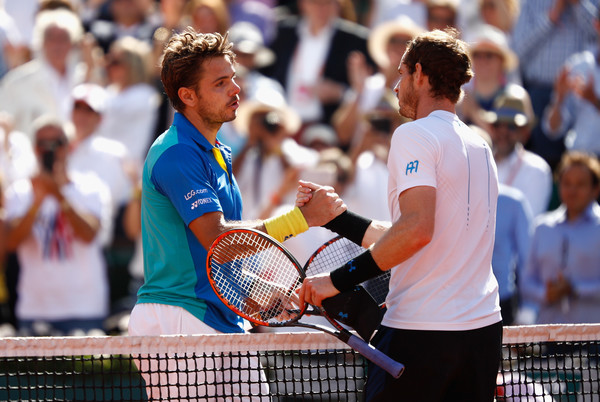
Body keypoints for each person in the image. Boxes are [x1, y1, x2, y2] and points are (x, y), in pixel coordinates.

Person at [127, 29, 344, 400]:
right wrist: (300, 220)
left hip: (221, 320)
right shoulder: (176, 153)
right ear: (188, 96)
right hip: (179, 319)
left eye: (234, 79)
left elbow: (220, 260)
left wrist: (257, 292)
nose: (235, 89)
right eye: (221, 82)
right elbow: (218, 241)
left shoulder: (218, 153)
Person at [297, 28, 502, 401]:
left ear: (420, 74)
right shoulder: (480, 145)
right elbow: (423, 235)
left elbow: (416, 231)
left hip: (422, 336)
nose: (395, 87)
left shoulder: (414, 135)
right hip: (482, 334)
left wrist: (337, 281)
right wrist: (337, 219)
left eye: (402, 74)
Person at [4, 115, 111, 336]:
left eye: (57, 143)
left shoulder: (91, 186)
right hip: (35, 309)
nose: (51, 150)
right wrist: (37, 201)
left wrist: (58, 194)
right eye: (44, 144)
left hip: (84, 308)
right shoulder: (19, 191)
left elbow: (89, 234)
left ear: (68, 146)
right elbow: (11, 243)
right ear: (35, 149)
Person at [511, 0, 599, 170]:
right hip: (538, 91)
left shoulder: (591, 3)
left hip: (581, 88)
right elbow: (517, 52)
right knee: (544, 161)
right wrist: (550, 17)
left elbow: (596, 33)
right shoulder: (531, 3)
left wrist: (578, 6)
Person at [520, 151, 600, 325]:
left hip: (595, 338)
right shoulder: (542, 227)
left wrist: (575, 290)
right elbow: (526, 283)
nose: (572, 190)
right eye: (567, 183)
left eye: (580, 184)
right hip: (549, 337)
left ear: (595, 189)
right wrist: (546, 294)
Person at [481, 84, 554, 217]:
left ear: (525, 131)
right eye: (497, 124)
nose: (503, 131)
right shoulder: (480, 162)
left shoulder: (536, 169)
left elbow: (527, 224)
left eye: (511, 126)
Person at [543, 8, 600, 159]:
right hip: (578, 159)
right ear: (597, 25)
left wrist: (595, 101)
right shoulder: (578, 65)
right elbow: (552, 129)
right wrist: (559, 99)